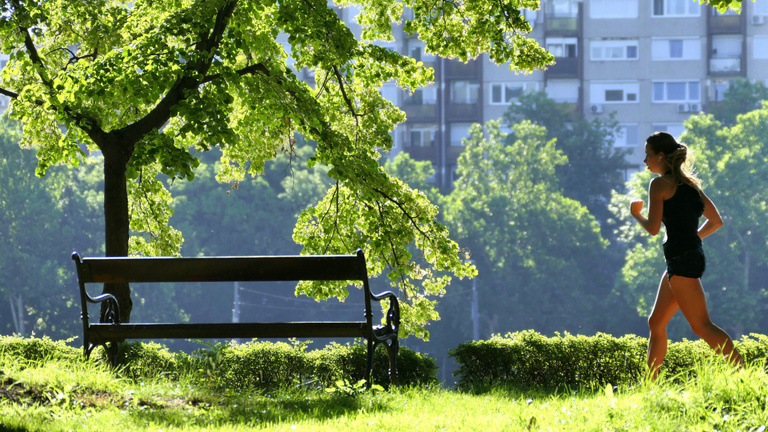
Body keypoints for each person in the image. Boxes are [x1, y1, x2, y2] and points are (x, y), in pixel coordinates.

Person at [630, 131, 744, 379]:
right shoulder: (691, 186)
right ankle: (649, 384)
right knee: (656, 322)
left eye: (648, 155)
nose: (645, 161)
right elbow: (716, 222)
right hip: (683, 259)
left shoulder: (659, 185)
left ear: (661, 156)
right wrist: (693, 239)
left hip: (682, 262)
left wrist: (636, 214)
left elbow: (652, 228)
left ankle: (744, 372)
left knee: (701, 325)